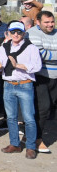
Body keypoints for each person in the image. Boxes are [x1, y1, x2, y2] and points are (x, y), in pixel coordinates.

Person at [0, 21, 41, 159]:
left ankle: (31, 146)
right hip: (8, 84)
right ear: (8, 33)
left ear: (24, 33)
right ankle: (15, 144)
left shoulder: (31, 48)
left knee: (29, 118)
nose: (16, 34)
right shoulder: (3, 47)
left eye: (19, 32)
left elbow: (37, 66)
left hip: (25, 85)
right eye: (13, 32)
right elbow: (0, 67)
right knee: (11, 117)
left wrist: (18, 65)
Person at [27, 11, 57, 154]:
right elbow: (39, 54)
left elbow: (47, 53)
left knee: (49, 108)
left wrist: (50, 54)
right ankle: (37, 139)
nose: (50, 24)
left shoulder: (56, 33)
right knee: (43, 108)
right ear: (38, 22)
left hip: (55, 76)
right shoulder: (33, 33)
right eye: (47, 22)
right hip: (40, 76)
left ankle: (31, 135)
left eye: (52, 22)